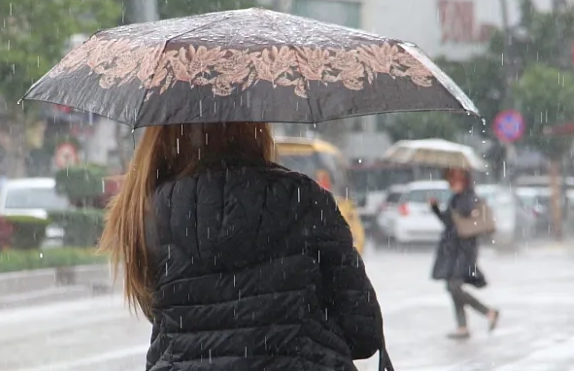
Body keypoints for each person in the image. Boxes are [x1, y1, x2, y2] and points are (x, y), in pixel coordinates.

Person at [99, 122, 387, 371]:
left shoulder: (149, 213)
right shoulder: (305, 201)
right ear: (253, 126)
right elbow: (363, 332)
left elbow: (165, 320)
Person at [430, 168, 499, 340]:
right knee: (452, 287)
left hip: (464, 251)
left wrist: (460, 197)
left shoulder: (468, 197)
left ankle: (488, 312)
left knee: (454, 286)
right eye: (451, 179)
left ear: (465, 180)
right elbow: (448, 222)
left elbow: (466, 216)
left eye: (456, 179)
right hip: (451, 250)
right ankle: (462, 326)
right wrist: (435, 208)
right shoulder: (455, 198)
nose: (452, 183)